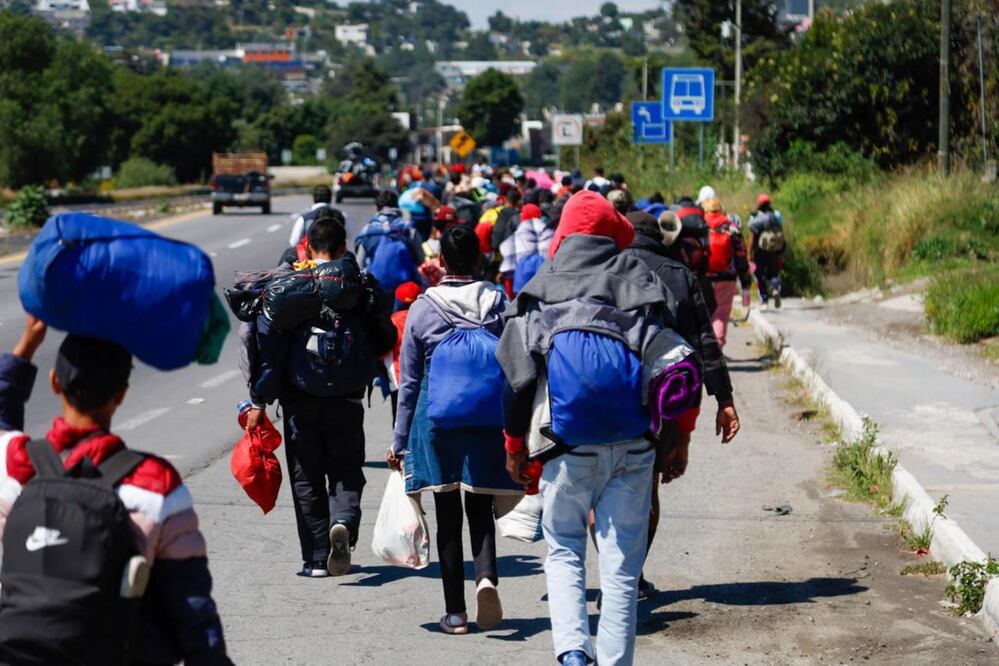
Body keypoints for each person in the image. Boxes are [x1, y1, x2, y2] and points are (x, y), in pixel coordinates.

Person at [498, 191, 677, 666]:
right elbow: (670, 365)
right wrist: (675, 442)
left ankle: (574, 653)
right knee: (621, 569)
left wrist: (515, 446)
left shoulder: (541, 286)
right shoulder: (642, 281)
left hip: (566, 447)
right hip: (634, 446)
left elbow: (516, 380)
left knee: (564, 552)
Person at [0, 319, 232, 665]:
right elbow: (192, 610)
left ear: (54, 383)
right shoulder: (156, 485)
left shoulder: (13, 464)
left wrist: (27, 346)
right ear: (121, 395)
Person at [387, 226, 521, 635]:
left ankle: (456, 614)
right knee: (479, 505)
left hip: (435, 418)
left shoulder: (424, 308)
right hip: (486, 415)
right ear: (479, 260)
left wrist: (399, 439)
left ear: (441, 261)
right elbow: (516, 362)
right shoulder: (498, 300)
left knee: (448, 514)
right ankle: (485, 578)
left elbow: (408, 381)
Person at [247, 218, 395, 578]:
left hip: (301, 398)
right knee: (345, 469)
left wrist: (259, 401)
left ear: (308, 248)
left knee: (306, 476)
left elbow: (271, 352)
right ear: (344, 247)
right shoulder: (358, 285)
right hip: (346, 398)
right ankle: (342, 519)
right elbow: (384, 338)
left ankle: (315, 559)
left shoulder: (293, 287)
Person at [623, 210, 741, 598]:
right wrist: (723, 399)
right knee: (648, 490)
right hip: (664, 399)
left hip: (610, 393)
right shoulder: (681, 274)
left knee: (603, 489)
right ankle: (631, 575)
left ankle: (616, 572)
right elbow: (704, 343)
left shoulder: (608, 267)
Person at [702, 198, 751, 348]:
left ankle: (703, 351)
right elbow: (741, 256)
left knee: (703, 315)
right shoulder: (731, 227)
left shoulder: (700, 226)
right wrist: (746, 284)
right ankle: (717, 348)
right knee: (721, 314)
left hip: (704, 277)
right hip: (727, 278)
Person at [356, 190, 425, 295]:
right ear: (397, 206)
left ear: (377, 208)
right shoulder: (408, 229)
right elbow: (421, 259)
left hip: (375, 289)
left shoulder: (368, 231)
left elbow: (359, 265)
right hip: (404, 290)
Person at [497, 203, 553, 296]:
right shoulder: (547, 230)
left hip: (522, 282)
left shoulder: (519, 233)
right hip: (544, 279)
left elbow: (506, 250)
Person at [388, 280, 422, 420]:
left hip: (398, 377)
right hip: (420, 376)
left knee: (399, 417)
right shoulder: (423, 318)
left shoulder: (393, 320)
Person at [748, 193, 785, 309]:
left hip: (761, 251)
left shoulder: (758, 218)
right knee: (774, 273)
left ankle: (764, 299)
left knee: (760, 274)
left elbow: (752, 235)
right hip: (774, 250)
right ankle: (775, 289)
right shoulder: (776, 216)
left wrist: (749, 252)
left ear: (759, 205)